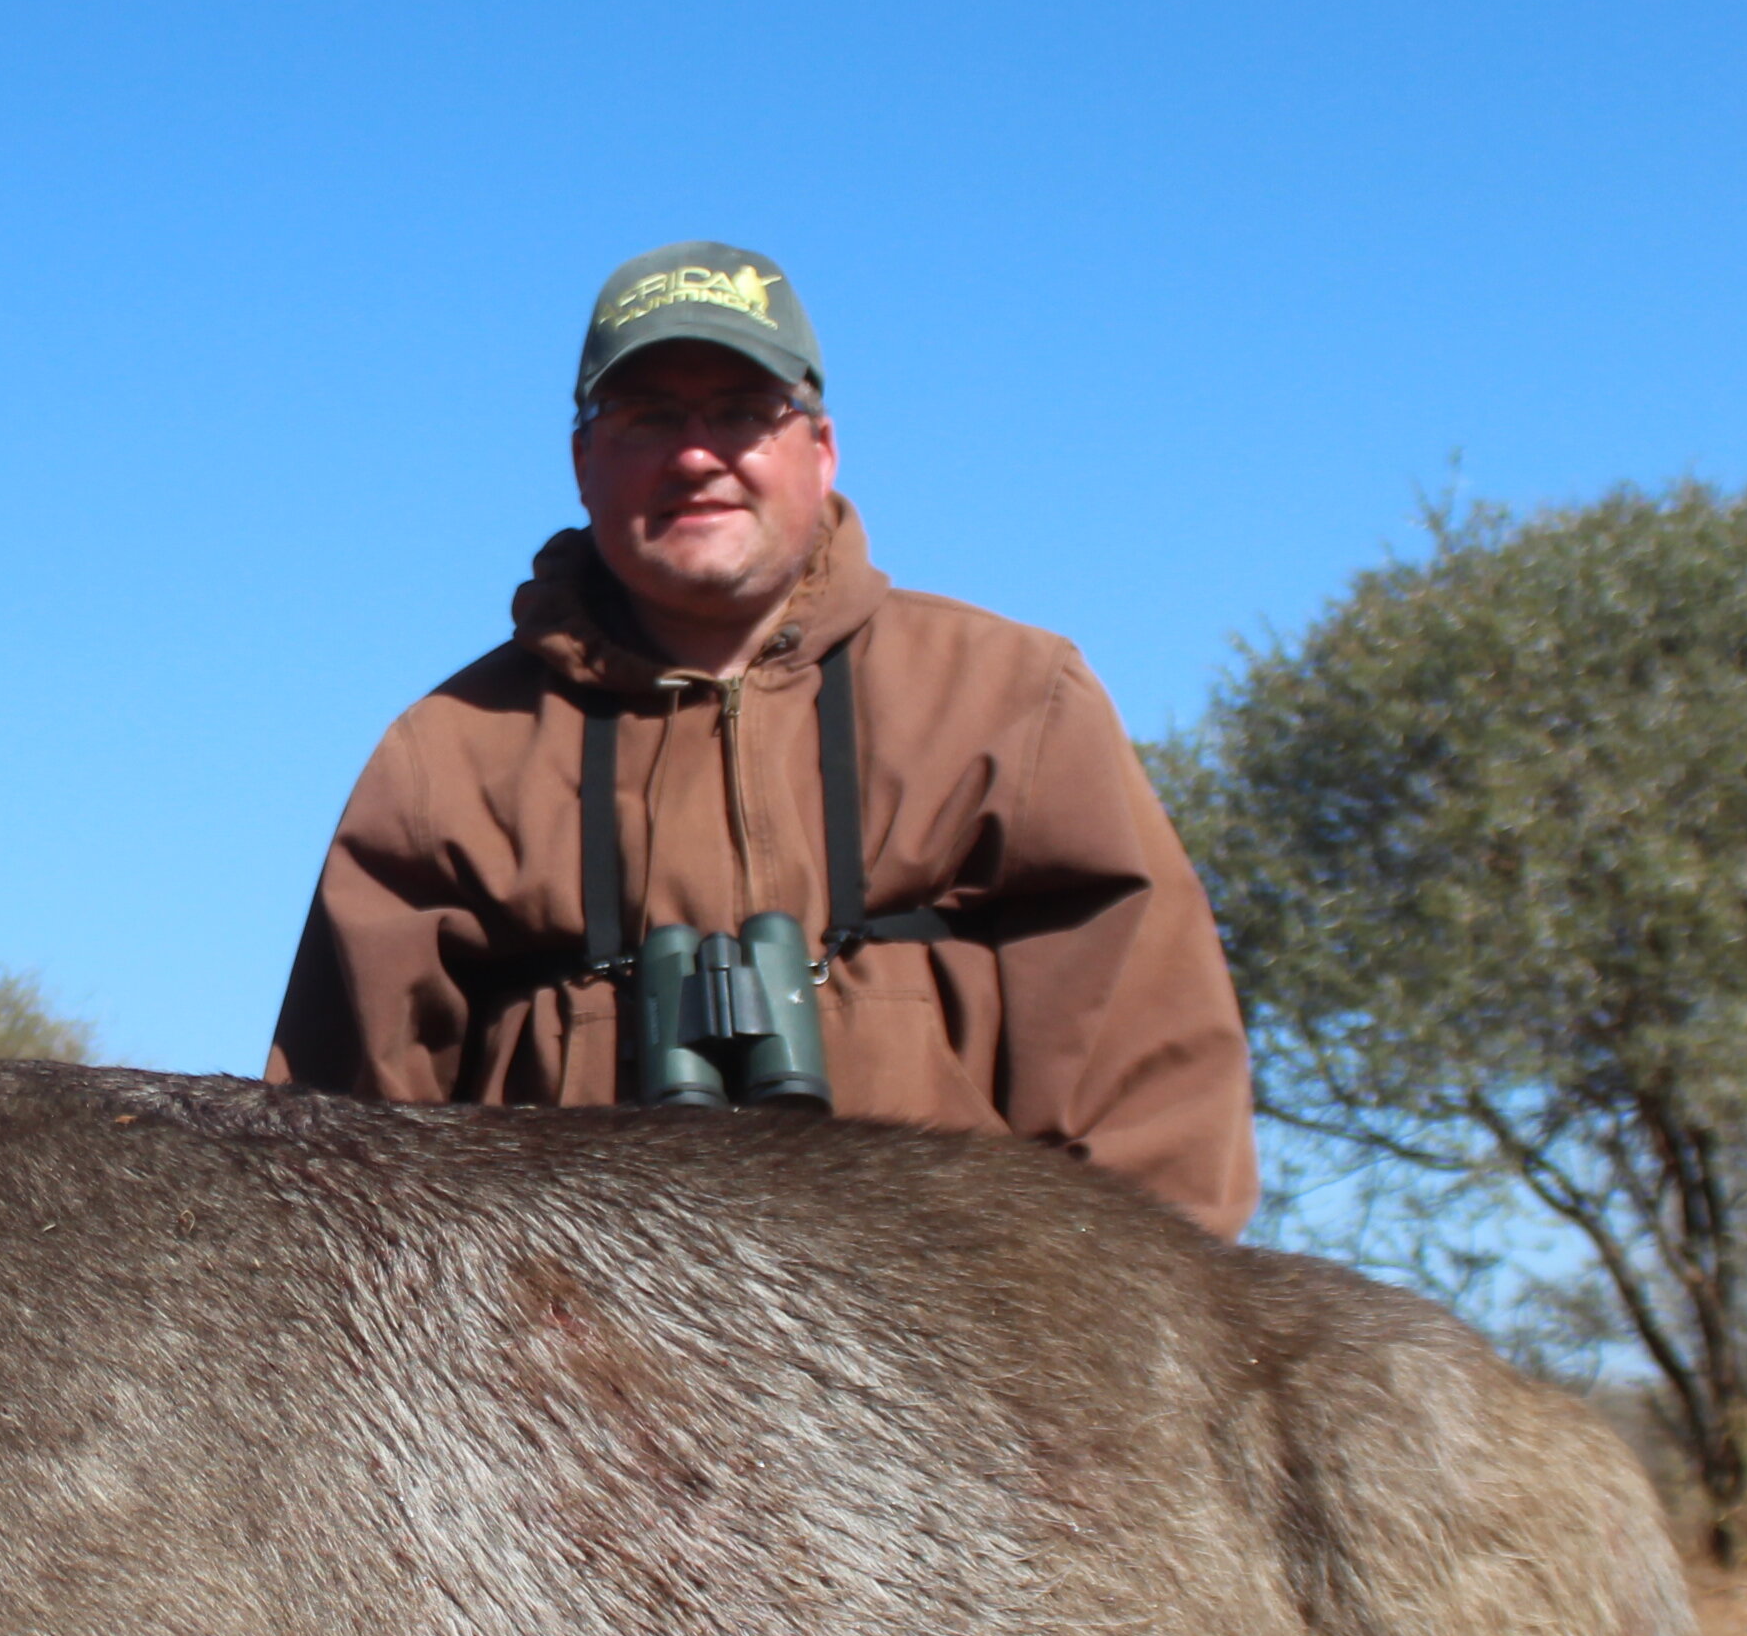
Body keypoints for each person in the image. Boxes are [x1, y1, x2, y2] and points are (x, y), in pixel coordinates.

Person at [267, 242, 1256, 1234]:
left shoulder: (1015, 698)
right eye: (649, 416)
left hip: (956, 1353)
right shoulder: (449, 751)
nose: (696, 454)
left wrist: (1102, 1368)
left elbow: (1157, 1112)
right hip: (566, 1362)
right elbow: (335, 1152)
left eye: (742, 411)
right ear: (581, 462)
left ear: (821, 450)